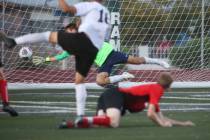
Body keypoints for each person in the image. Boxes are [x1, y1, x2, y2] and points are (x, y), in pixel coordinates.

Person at [0, 0, 110, 117]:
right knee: (79, 81)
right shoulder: (106, 13)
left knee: (47, 35)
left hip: (82, 41)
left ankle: (14, 41)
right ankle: (80, 117)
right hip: (93, 50)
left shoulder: (90, 6)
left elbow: (66, 9)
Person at [32, 23, 170, 86]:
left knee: (137, 60)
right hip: (103, 63)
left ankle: (159, 62)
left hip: (109, 52)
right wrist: (46, 59)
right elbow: (61, 56)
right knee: (100, 82)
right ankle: (123, 76)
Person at [59, 73, 195, 128]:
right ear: (168, 86)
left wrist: (183, 123)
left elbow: (161, 117)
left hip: (109, 95)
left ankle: (70, 124)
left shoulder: (152, 91)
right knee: (113, 123)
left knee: (99, 124)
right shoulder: (157, 89)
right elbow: (151, 114)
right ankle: (82, 119)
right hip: (116, 95)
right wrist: (161, 124)